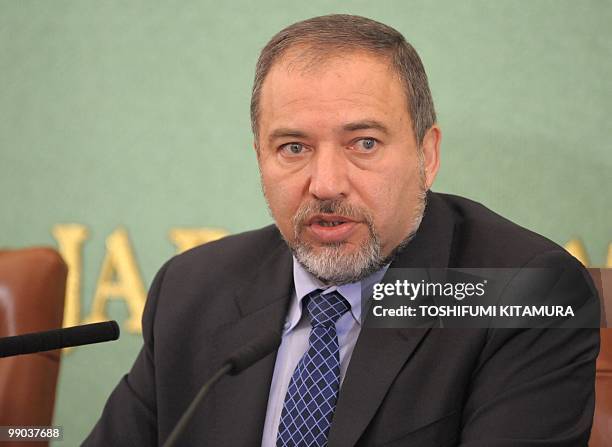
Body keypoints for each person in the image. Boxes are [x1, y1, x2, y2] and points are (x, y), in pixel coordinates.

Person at [83, 14, 600, 446]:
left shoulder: (520, 292)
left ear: (427, 154)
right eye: (293, 148)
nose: (325, 184)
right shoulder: (194, 288)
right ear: (260, 157)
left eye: (364, 143)